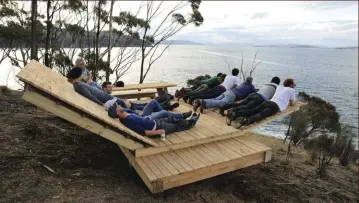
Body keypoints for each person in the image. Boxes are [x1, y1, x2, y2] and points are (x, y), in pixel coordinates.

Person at [67, 67, 186, 118]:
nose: (83, 75)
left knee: (137, 106)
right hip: (109, 100)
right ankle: (161, 107)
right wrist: (101, 104)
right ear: (77, 76)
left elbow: (91, 89)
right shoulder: (78, 85)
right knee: (136, 108)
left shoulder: (79, 84)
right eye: (81, 74)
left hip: (109, 98)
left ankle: (163, 106)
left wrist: (90, 78)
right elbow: (90, 96)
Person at [226, 78, 297, 127]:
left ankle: (235, 114)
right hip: (275, 106)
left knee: (252, 111)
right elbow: (292, 103)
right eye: (295, 84)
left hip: (268, 102)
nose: (295, 86)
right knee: (261, 115)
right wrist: (295, 101)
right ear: (291, 85)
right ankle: (245, 121)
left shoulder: (279, 87)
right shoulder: (292, 90)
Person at [108, 103, 200, 136]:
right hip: (157, 127)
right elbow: (142, 132)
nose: (119, 105)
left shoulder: (125, 114)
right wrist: (158, 132)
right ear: (117, 113)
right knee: (176, 126)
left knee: (171, 118)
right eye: (117, 107)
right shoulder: (129, 120)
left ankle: (185, 119)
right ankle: (191, 123)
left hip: (155, 122)